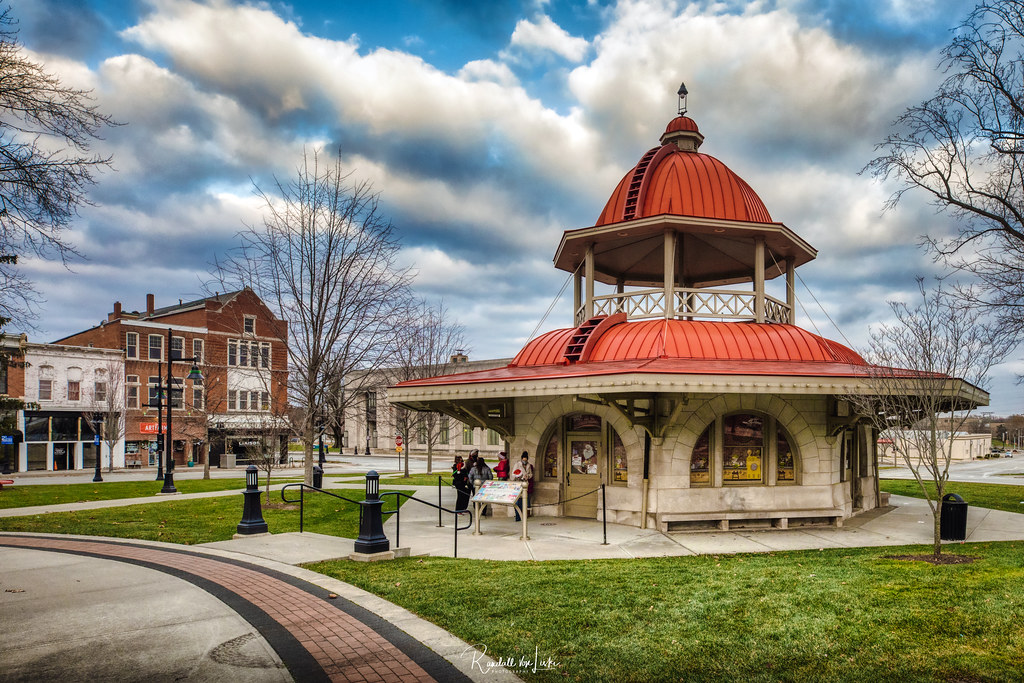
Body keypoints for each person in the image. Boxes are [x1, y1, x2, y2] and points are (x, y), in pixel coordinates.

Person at [511, 451, 534, 521]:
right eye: (523, 460)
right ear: (521, 459)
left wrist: (528, 476)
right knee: (517, 501)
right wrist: (519, 476)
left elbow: (531, 474)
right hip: (518, 484)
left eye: (526, 460)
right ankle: (518, 516)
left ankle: (522, 515)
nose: (524, 462)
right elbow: (513, 475)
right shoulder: (517, 464)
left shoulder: (528, 465)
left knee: (523, 501)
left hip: (525, 484)